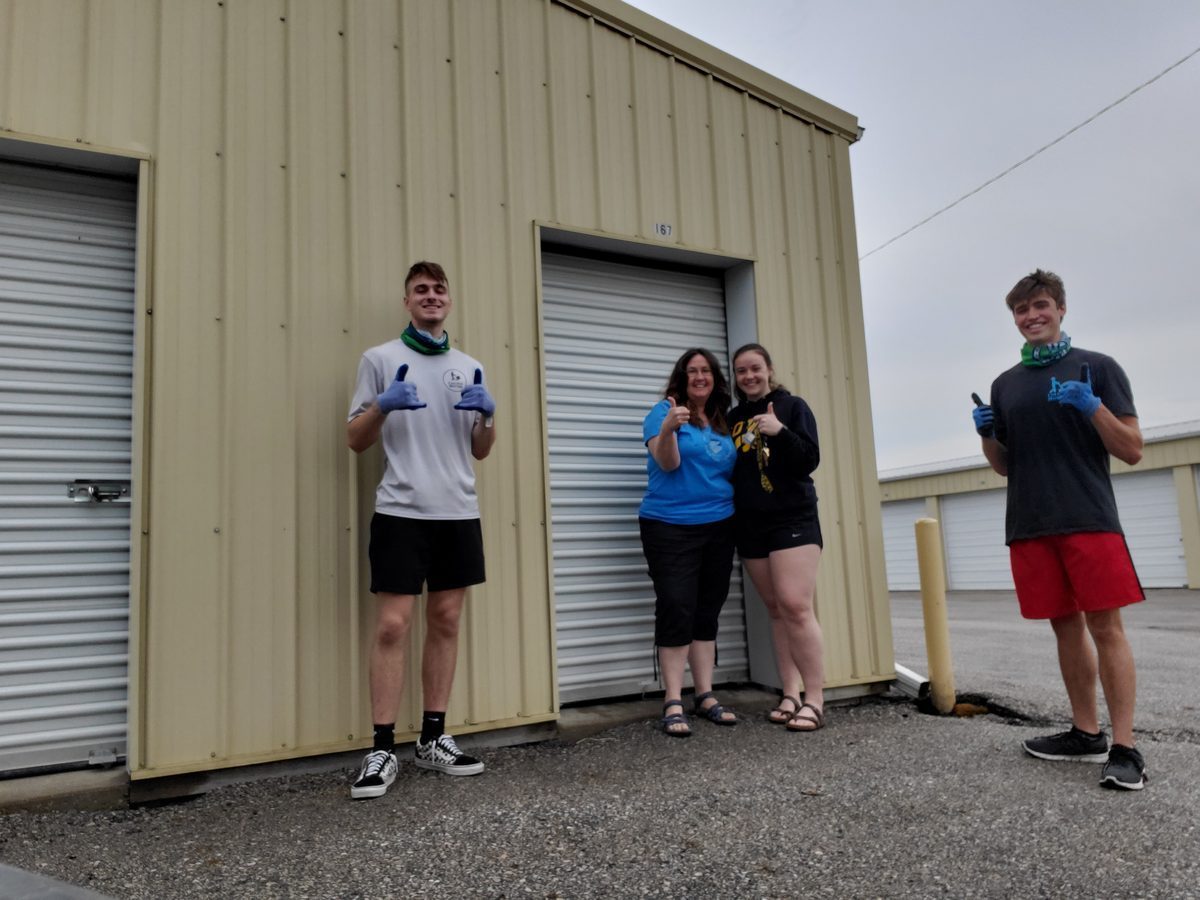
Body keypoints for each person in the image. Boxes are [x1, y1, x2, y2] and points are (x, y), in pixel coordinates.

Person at [972, 268, 1146, 790]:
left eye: (1040, 305)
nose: (1032, 316)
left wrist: (1092, 407)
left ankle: (1125, 746)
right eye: (1022, 311)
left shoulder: (1098, 367)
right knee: (1063, 626)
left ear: (1061, 308)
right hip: (1029, 523)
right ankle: (1085, 732)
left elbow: (1133, 449)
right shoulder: (1005, 385)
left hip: (1088, 518)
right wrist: (986, 437)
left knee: (1106, 627)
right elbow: (1005, 465)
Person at [346, 261, 497, 799]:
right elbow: (354, 439)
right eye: (420, 291)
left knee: (448, 620)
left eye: (438, 290)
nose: (431, 297)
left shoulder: (470, 365)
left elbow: (479, 449)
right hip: (401, 511)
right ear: (407, 301)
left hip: (457, 510)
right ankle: (382, 746)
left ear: (449, 301)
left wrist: (488, 418)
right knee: (392, 626)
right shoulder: (381, 359)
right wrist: (382, 407)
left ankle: (433, 738)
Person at [638, 348, 739, 737]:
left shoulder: (723, 421)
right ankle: (673, 699)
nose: (700, 377)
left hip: (719, 525)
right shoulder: (661, 413)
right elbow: (668, 463)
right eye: (692, 371)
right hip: (669, 525)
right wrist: (668, 429)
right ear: (681, 378)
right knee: (676, 605)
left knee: (707, 608)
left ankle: (707, 695)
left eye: (706, 371)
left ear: (715, 379)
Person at [728, 344, 826, 732]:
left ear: (769, 369)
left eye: (755, 368)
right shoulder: (733, 418)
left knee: (796, 605)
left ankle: (815, 699)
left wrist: (780, 432)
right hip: (751, 523)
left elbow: (809, 459)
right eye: (740, 371)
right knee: (775, 608)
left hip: (793, 518)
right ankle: (790, 692)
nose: (749, 376)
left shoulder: (792, 407)